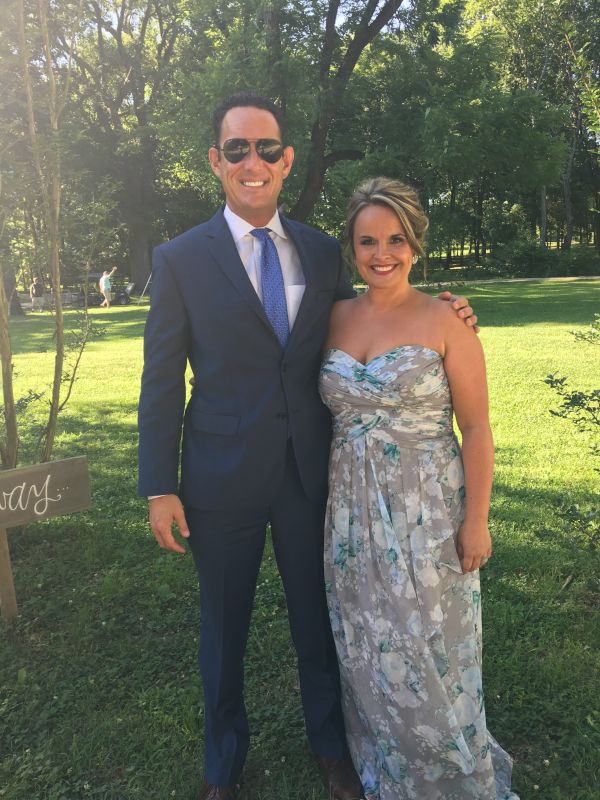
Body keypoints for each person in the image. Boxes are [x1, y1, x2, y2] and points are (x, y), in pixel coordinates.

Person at [137, 93, 478, 800]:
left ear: (286, 159)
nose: (253, 162)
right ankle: (223, 767)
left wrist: (451, 311)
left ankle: (332, 748)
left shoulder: (323, 251)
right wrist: (159, 484)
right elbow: (161, 380)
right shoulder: (179, 260)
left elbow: (371, 318)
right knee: (223, 629)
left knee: (318, 621)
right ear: (216, 161)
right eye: (237, 149)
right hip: (219, 479)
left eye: (266, 148)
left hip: (312, 476)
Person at [319, 177, 518, 800]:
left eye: (396, 240)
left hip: (429, 509)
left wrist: (477, 520)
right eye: (368, 241)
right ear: (351, 248)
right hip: (351, 515)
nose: (382, 254)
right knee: (368, 642)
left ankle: (450, 774)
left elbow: (476, 427)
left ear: (415, 245)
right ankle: (389, 768)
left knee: (432, 642)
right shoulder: (332, 317)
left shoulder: (445, 319)